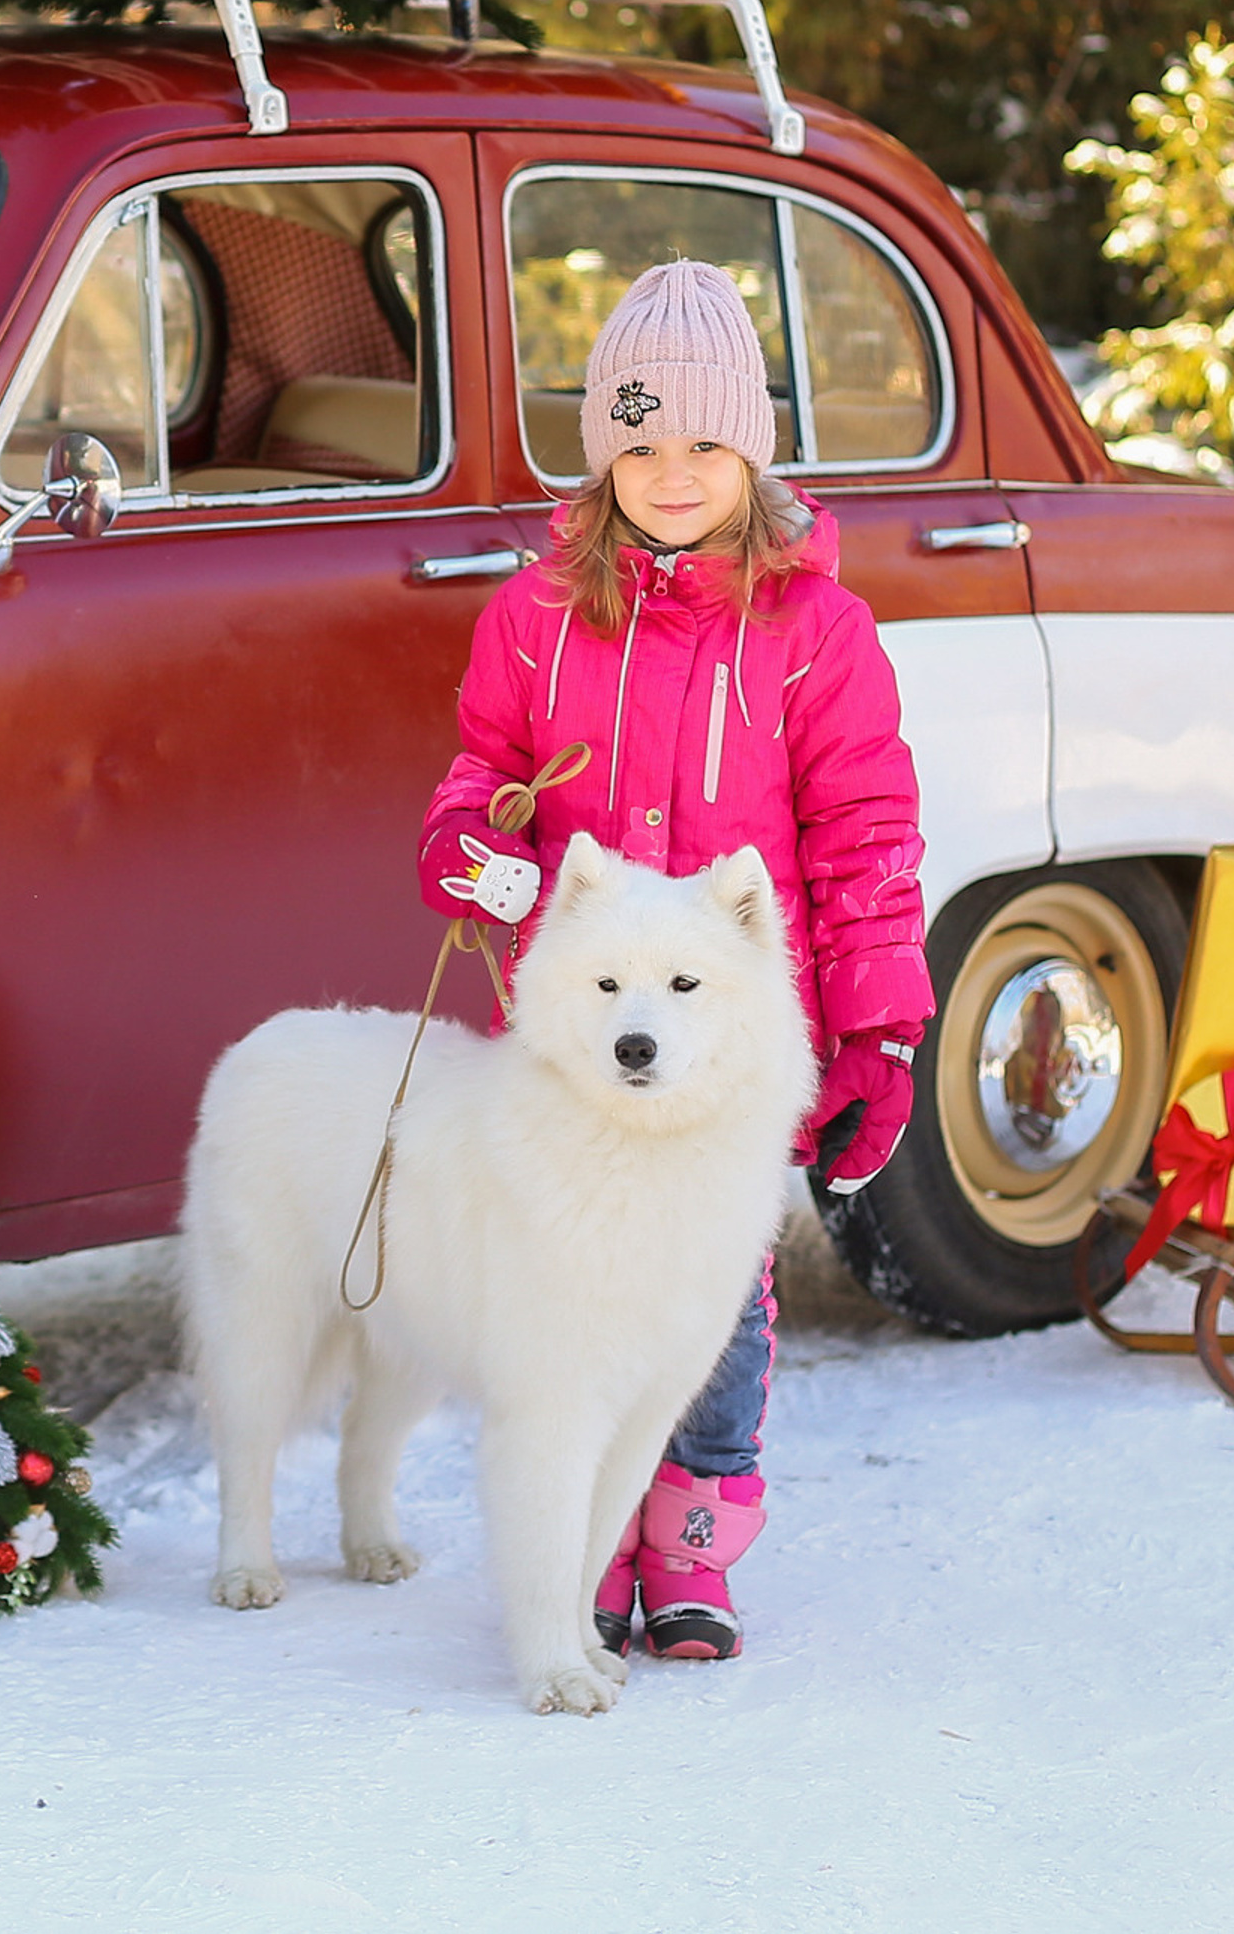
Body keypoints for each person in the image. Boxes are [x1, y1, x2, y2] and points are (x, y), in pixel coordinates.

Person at [418, 257, 931, 1661]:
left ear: (750, 448)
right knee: (570, 1292)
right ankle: (579, 1537)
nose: (672, 472)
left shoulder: (817, 636)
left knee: (719, 1300)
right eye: (639, 444)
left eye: (703, 443)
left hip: (729, 1043)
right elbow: (485, 773)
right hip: (587, 1042)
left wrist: (879, 1032)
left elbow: (866, 838)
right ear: (605, 454)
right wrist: (479, 850)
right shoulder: (534, 618)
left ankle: (693, 1537)